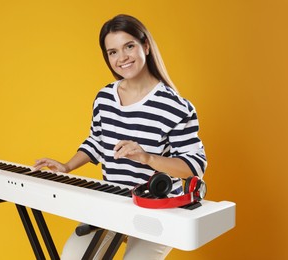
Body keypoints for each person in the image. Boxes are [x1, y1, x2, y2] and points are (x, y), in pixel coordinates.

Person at [33, 14, 207, 259]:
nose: (122, 58)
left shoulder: (175, 106)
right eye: (112, 52)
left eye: (129, 46)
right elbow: (96, 141)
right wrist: (67, 166)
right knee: (73, 256)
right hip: (114, 201)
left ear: (145, 46)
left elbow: (194, 167)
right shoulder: (105, 97)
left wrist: (148, 158)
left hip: (159, 209)